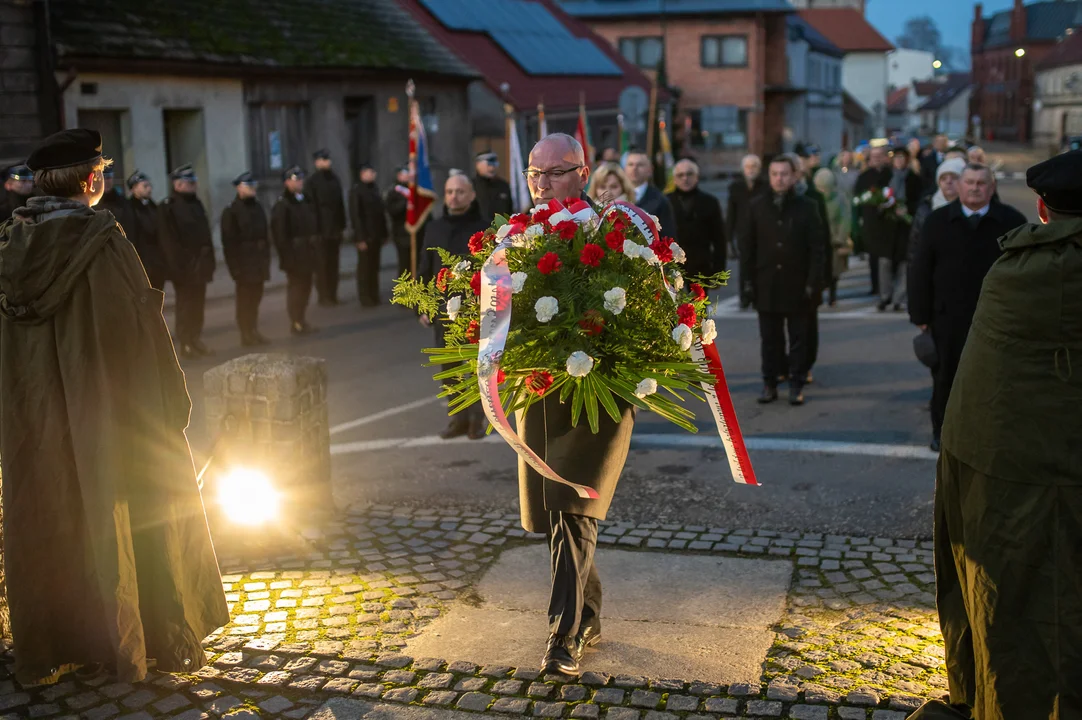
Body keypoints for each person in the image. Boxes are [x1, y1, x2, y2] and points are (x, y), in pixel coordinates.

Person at [0, 128, 228, 686]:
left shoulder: (10, 244)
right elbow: (138, 331)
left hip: (36, 419)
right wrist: (168, 403)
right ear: (92, 179)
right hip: (109, 413)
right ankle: (135, 638)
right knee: (124, 515)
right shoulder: (103, 240)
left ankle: (56, 642)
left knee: (51, 513)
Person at [908, 151, 1082, 720]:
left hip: (998, 467)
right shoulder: (958, 233)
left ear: (1042, 209)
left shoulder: (1013, 272)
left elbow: (984, 390)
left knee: (1007, 604)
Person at [518, 133, 636, 678]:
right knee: (552, 515)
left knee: (574, 508)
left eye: (555, 173)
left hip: (597, 398)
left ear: (583, 173)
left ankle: (562, 638)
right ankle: (587, 611)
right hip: (539, 393)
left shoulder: (615, 232)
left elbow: (641, 313)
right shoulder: (517, 236)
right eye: (533, 174)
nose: (541, 185)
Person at [908, 163, 1027, 451]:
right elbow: (920, 270)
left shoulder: (1011, 222)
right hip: (948, 318)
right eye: (969, 182)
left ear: (992, 188)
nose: (975, 187)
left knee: (994, 379)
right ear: (958, 186)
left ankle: (991, 435)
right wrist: (920, 315)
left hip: (997, 318)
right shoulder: (937, 222)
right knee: (946, 379)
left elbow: (1026, 272)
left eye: (981, 183)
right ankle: (943, 432)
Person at [740, 154, 825, 406]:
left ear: (793, 176)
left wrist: (813, 283)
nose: (779, 178)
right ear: (769, 176)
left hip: (797, 284)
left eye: (784, 174)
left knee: (798, 337)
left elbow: (817, 249)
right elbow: (747, 249)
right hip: (766, 283)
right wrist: (746, 283)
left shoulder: (807, 206)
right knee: (770, 339)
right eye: (775, 174)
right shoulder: (756, 206)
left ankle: (796, 383)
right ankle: (770, 382)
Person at [417, 174, 488, 440]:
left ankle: (476, 420)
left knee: (474, 366)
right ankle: (457, 418)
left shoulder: (483, 227)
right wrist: (422, 306)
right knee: (449, 367)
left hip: (475, 309)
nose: (454, 196)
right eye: (449, 192)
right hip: (443, 309)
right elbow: (425, 268)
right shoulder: (434, 228)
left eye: (460, 191)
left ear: (471, 195)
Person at [157, 164, 215, 358]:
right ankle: (185, 343)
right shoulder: (169, 207)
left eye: (194, 182)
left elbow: (205, 234)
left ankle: (195, 338)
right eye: (189, 183)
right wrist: (179, 266)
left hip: (201, 264)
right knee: (185, 305)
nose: (193, 186)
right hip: (184, 266)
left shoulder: (196, 203)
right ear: (178, 184)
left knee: (198, 305)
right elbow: (169, 242)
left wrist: (209, 262)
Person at [220, 171, 271, 346]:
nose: (253, 190)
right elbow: (229, 243)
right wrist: (235, 268)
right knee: (245, 301)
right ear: (239, 188)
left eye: (253, 186)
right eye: (248, 187)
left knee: (256, 298)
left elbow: (265, 235)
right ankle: (245, 333)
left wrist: (266, 261)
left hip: (258, 262)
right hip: (243, 263)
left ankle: (254, 330)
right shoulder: (231, 211)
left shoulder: (257, 207)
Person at [793, 153, 831, 385]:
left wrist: (823, 276)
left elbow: (823, 239)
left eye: (796, 170)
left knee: (808, 324)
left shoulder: (814, 197)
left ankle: (806, 364)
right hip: (786, 275)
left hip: (810, 272)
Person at [272, 166, 320, 335]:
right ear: (287, 182)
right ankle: (295, 320)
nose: (299, 182)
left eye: (300, 179)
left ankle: (302, 318)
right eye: (295, 180)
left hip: (308, 252)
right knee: (296, 289)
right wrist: (286, 257)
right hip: (294, 254)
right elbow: (280, 234)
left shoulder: (305, 199)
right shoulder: (283, 204)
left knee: (306, 287)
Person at [874, 146, 923, 312]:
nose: (899, 161)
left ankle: (898, 298)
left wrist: (908, 208)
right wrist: (882, 206)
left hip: (905, 227)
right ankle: (884, 296)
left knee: (904, 263)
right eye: (897, 158)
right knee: (885, 262)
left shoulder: (914, 179)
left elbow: (919, 201)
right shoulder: (885, 177)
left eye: (903, 158)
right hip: (887, 227)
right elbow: (876, 197)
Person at [666, 159, 727, 278]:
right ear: (674, 179)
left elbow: (719, 239)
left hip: (701, 267)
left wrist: (719, 272)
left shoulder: (710, 202)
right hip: (671, 266)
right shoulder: (665, 202)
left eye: (689, 174)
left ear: (697, 177)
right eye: (680, 175)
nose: (685, 178)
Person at [305, 149, 346, 306]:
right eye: (323, 160)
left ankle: (333, 294)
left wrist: (342, 225)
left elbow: (339, 204)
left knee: (333, 264)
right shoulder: (312, 182)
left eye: (327, 159)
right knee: (321, 265)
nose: (326, 162)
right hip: (320, 229)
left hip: (334, 228)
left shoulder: (334, 178)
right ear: (316, 162)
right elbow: (311, 208)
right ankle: (324, 296)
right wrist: (314, 231)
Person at [728, 154, 769, 309]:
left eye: (754, 167)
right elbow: (731, 213)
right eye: (748, 167)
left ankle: (758, 295)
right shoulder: (736, 187)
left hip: (761, 232)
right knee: (744, 265)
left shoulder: (765, 186)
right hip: (743, 232)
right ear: (743, 169)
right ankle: (744, 296)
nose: (751, 170)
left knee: (760, 264)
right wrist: (729, 237)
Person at [853, 145, 892, 296]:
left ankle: (887, 286)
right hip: (870, 221)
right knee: (873, 255)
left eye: (879, 156)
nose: (876, 159)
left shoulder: (889, 174)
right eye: (874, 156)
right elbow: (858, 197)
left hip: (888, 220)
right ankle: (875, 285)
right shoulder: (864, 176)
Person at [350, 164, 387, 307]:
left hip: (376, 234)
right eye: (369, 172)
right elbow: (356, 216)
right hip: (365, 235)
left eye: (373, 172)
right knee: (365, 268)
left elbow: (380, 214)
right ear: (362, 174)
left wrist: (384, 233)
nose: (372, 175)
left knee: (374, 266)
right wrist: (360, 238)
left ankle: (374, 294)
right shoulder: (357, 191)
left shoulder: (375, 189)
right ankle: (365, 297)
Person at [122, 170, 166, 291]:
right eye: (145, 186)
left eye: (149, 185)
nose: (149, 189)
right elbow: (131, 237)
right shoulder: (130, 209)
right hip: (142, 263)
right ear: (134, 188)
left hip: (157, 263)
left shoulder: (153, 206)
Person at [813, 168, 852, 307]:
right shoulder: (814, 199)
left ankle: (832, 295)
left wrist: (841, 237)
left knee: (834, 270)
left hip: (834, 238)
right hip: (819, 238)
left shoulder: (839, 198)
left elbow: (845, 218)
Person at [623, 151, 677, 240]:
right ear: (624, 169)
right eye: (630, 164)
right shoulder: (615, 197)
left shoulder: (660, 201)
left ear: (650, 170)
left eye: (640, 165)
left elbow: (668, 237)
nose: (634, 168)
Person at [384, 165, 412, 278]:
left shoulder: (412, 190)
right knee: (404, 264)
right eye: (405, 174)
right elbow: (392, 211)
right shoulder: (394, 192)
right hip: (401, 232)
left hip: (413, 232)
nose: (408, 176)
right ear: (399, 176)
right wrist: (406, 203)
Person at [473, 151, 513, 221]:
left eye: (495, 164)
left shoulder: (503, 186)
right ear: (478, 164)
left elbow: (509, 211)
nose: (492, 168)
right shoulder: (471, 186)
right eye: (488, 164)